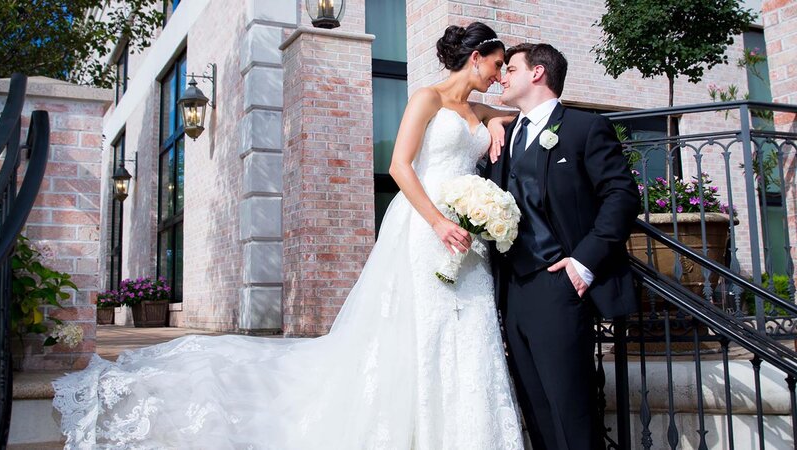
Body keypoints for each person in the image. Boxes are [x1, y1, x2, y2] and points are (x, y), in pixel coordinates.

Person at [52, 22, 524, 449]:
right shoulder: (428, 98)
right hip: (426, 226)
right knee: (423, 326)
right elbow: (399, 167)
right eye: (498, 64)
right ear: (476, 57)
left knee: (469, 327)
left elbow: (502, 117)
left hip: (468, 236)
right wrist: (438, 222)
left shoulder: (474, 109)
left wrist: (498, 122)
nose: (499, 75)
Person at [482, 43, 639, 450]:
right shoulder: (505, 133)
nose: (502, 75)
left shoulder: (584, 128)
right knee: (536, 410)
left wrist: (583, 263)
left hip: (560, 282)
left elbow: (621, 196)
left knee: (571, 409)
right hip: (512, 291)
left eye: (510, 68)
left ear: (537, 73)